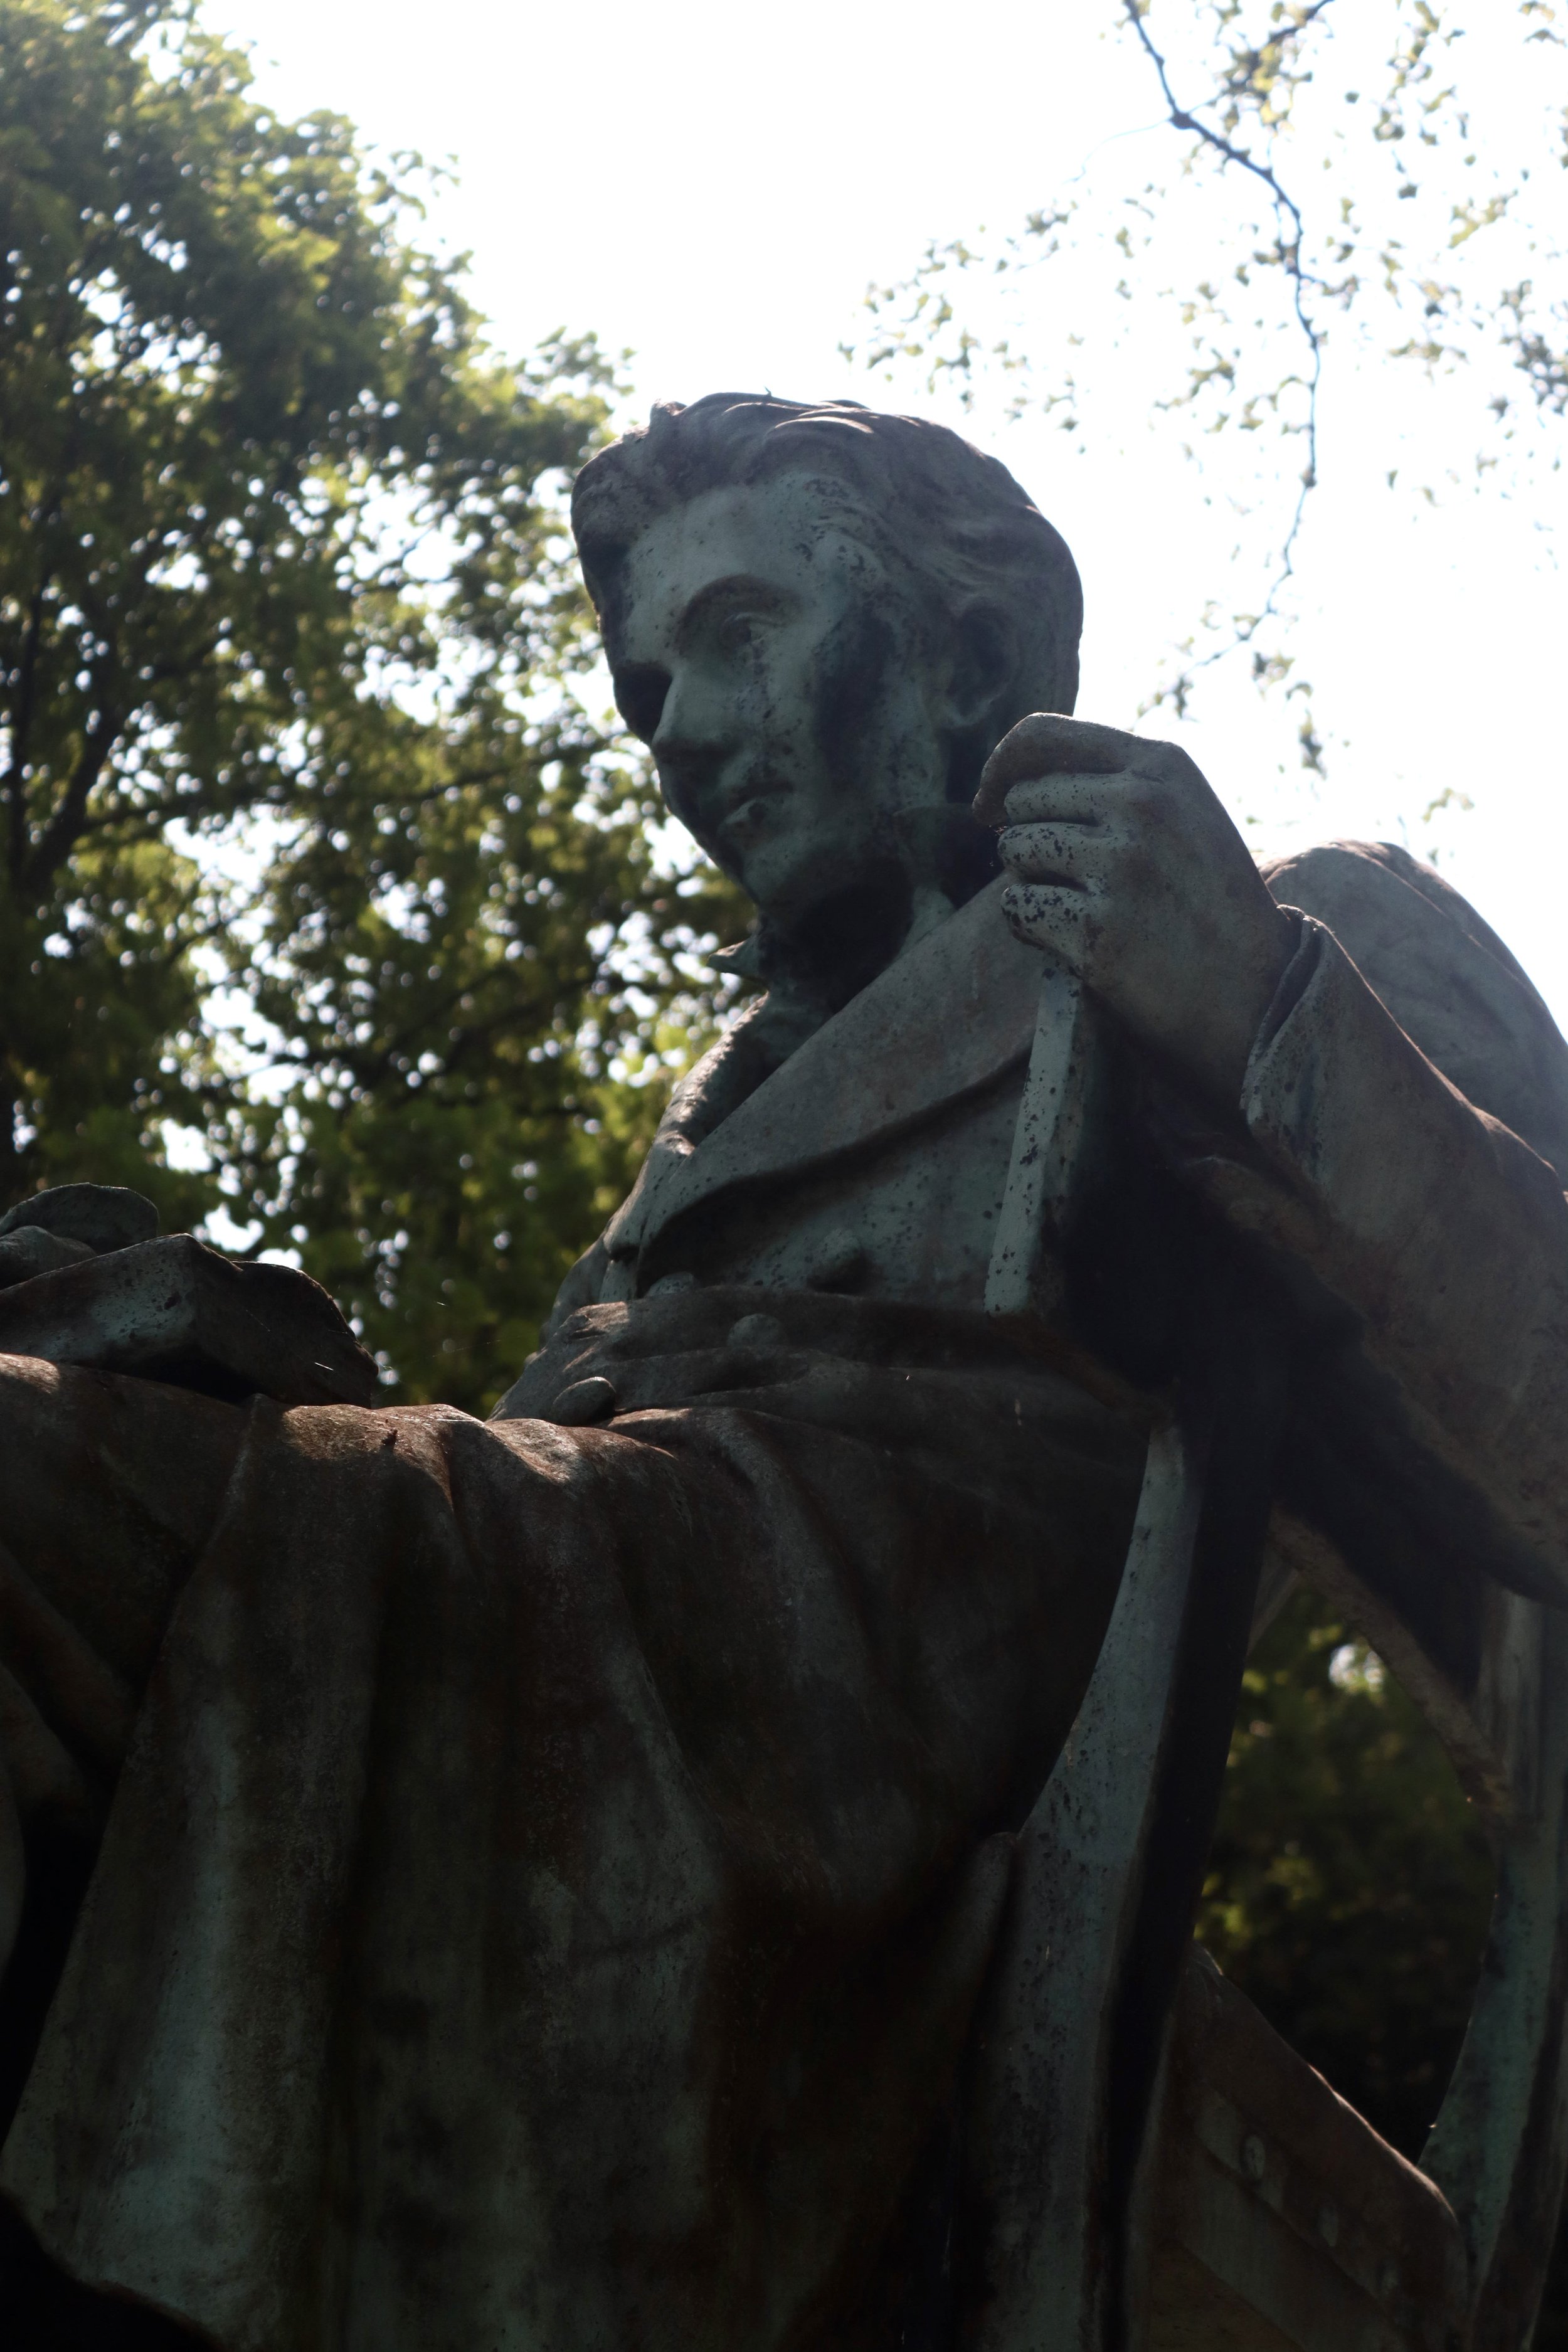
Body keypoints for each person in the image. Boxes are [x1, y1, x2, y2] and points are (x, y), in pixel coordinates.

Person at [1, 394, 1565, 2352]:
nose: (672, 726)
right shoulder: (726, 1089)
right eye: (648, 681)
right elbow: (533, 1476)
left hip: (866, 1672)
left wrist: (1257, 1009)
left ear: (969, 648)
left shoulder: (1288, 913)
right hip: (621, 1623)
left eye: (734, 634)